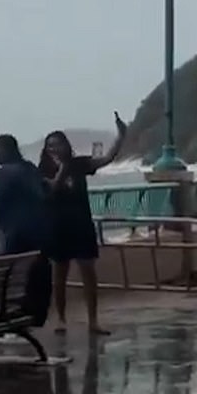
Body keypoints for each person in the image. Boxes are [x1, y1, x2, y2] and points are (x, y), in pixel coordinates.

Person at [39, 112, 128, 335]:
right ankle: (61, 318)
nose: (54, 149)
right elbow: (54, 188)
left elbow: (107, 159)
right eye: (50, 146)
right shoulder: (42, 171)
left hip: (81, 224)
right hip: (59, 227)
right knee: (60, 274)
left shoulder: (78, 165)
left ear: (65, 146)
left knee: (88, 272)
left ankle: (93, 321)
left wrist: (121, 136)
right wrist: (61, 169)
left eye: (58, 144)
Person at [0, 134, 49, 254]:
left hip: (16, 234)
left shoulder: (4, 173)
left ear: (4, 150)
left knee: (16, 267)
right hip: (39, 231)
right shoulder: (30, 168)